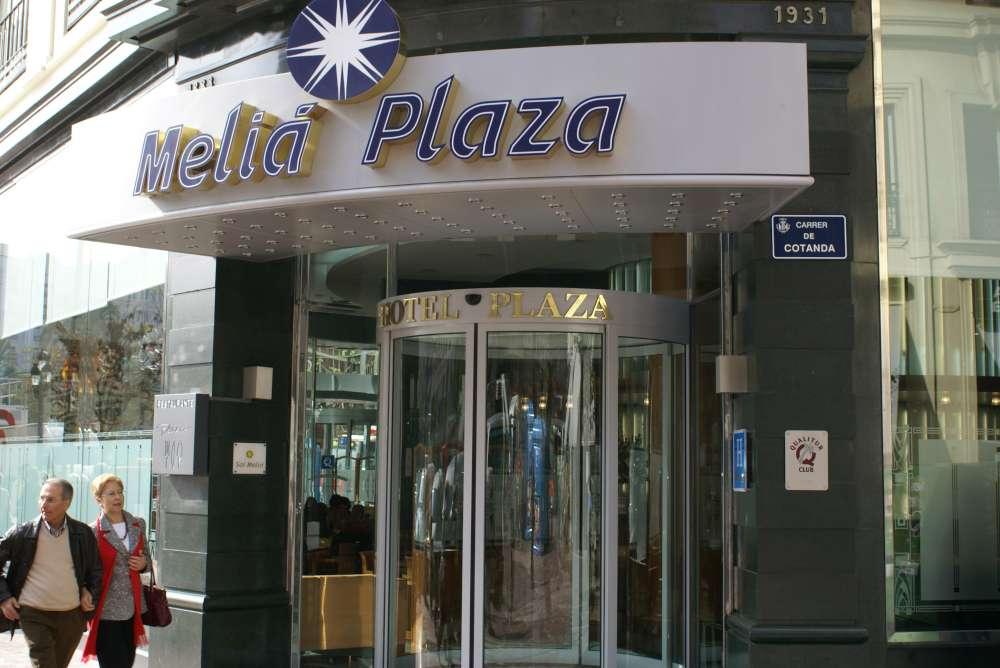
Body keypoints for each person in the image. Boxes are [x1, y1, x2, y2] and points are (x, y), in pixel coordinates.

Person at [0, 478, 102, 668]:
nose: (43, 504)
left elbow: (95, 571)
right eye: (41, 498)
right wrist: (4, 597)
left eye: (50, 499)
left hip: (71, 617)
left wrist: (89, 593)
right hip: (33, 613)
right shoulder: (22, 532)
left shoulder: (82, 533)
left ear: (66, 503)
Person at [81, 474, 151, 667]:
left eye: (120, 492)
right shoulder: (92, 531)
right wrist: (84, 592)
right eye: (111, 493)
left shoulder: (138, 524)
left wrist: (143, 563)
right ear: (99, 499)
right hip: (106, 609)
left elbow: (147, 559)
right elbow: (84, 571)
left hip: (133, 607)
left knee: (127, 662)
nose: (117, 497)